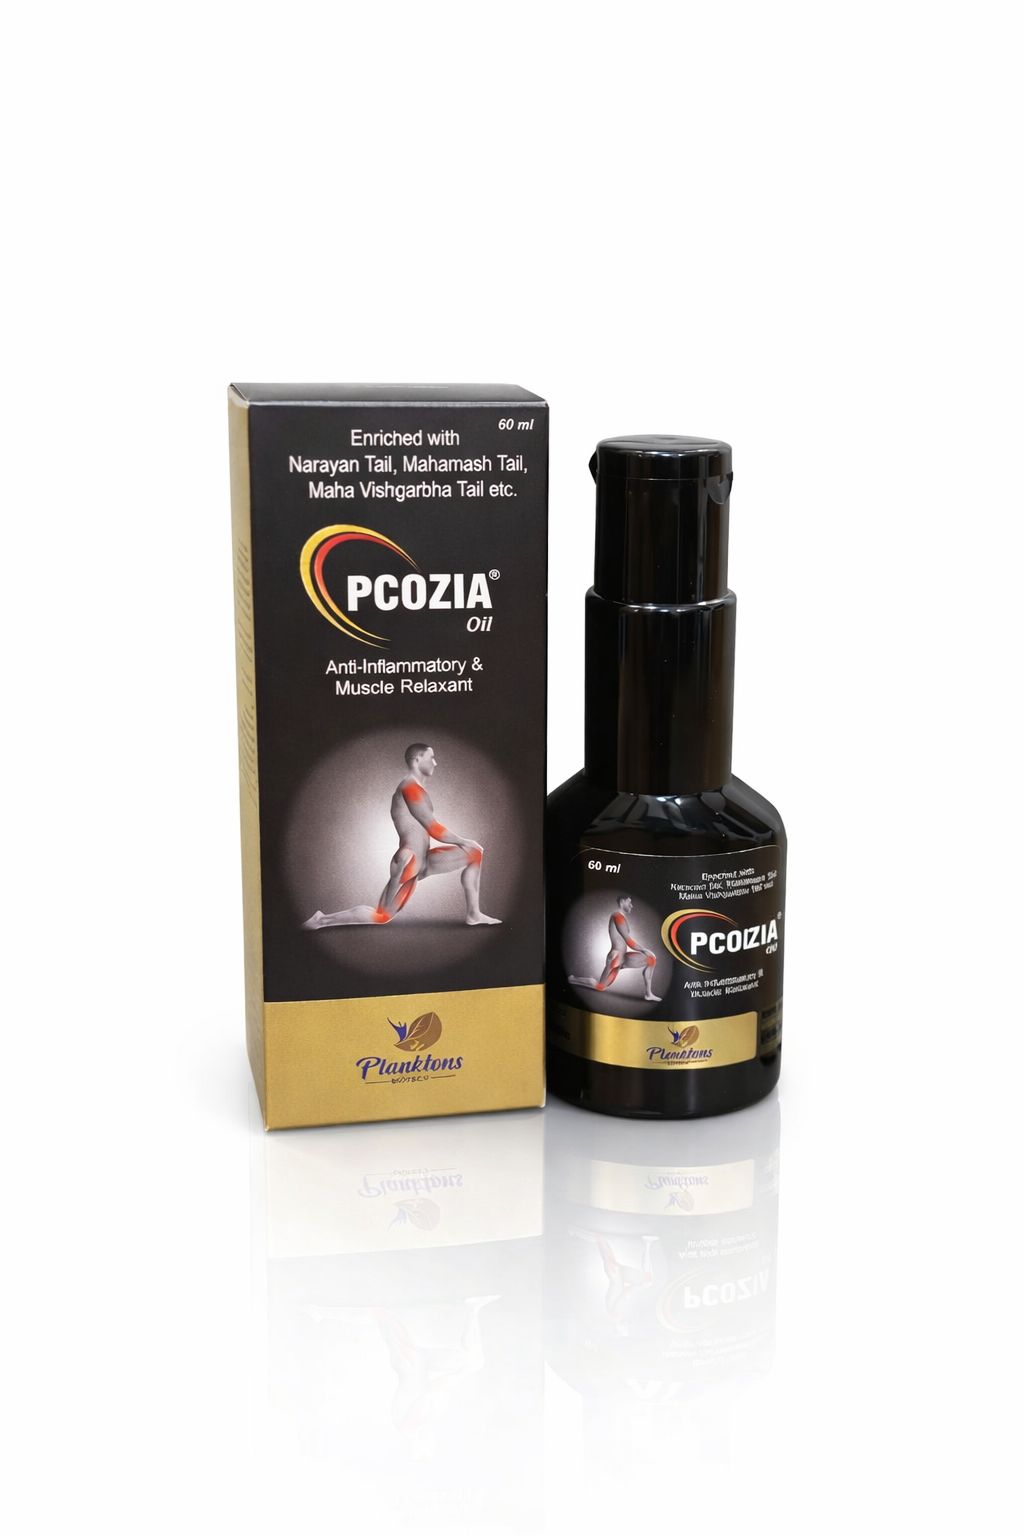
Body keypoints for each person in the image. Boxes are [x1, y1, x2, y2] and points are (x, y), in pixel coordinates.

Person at [303, 742, 500, 928]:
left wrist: (467, 845)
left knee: (475, 855)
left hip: (424, 860)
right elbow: (433, 828)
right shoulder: (409, 787)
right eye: (431, 757)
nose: (435, 763)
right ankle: (321, 920)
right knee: (382, 916)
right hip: (409, 861)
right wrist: (465, 841)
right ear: (417, 760)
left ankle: (474, 914)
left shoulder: (417, 788)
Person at [569, 895, 660, 1000]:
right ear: (622, 902)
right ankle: (573, 979)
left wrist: (647, 953)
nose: (632, 905)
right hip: (615, 958)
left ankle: (648, 994)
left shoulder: (621, 917)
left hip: (623, 957)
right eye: (629, 902)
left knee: (651, 960)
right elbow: (628, 941)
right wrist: (645, 950)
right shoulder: (617, 916)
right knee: (601, 986)